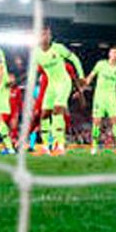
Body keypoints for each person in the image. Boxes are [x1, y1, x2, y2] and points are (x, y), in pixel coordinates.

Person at [36, 25, 84, 156]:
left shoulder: (58, 48)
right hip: (51, 86)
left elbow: (74, 58)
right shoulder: (36, 53)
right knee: (44, 114)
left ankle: (60, 146)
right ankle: (46, 147)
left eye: (46, 34)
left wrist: (81, 76)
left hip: (64, 83)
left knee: (57, 111)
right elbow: (33, 71)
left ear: (50, 36)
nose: (44, 37)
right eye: (41, 34)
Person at [84, 45, 116, 155]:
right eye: (113, 52)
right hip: (99, 97)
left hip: (111, 98)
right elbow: (91, 76)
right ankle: (94, 146)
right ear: (109, 54)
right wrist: (83, 86)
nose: (115, 55)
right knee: (97, 122)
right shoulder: (101, 64)